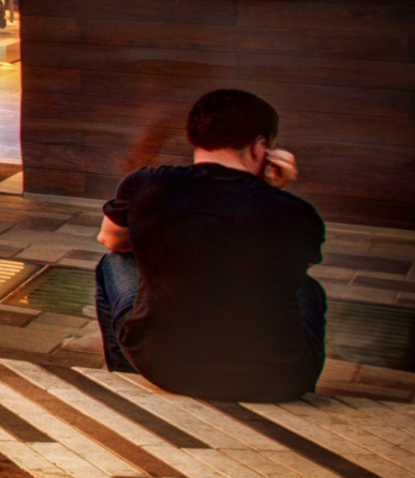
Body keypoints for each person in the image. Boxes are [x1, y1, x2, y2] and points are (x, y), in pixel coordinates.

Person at [101, 89, 327, 401]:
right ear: (261, 147)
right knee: (308, 288)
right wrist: (273, 190)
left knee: (115, 262)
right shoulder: (297, 213)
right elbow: (289, 266)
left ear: (194, 136)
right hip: (278, 379)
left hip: (166, 367)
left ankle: (126, 376)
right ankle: (297, 405)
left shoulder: (146, 183)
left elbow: (110, 238)